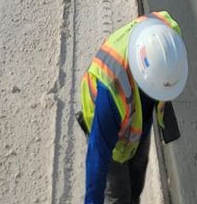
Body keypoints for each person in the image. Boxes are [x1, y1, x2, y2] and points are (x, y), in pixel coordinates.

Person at [79, 11, 187, 204]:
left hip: (136, 121)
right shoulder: (112, 89)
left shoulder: (166, 34)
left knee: (137, 178)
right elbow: (98, 155)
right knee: (119, 193)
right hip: (112, 135)